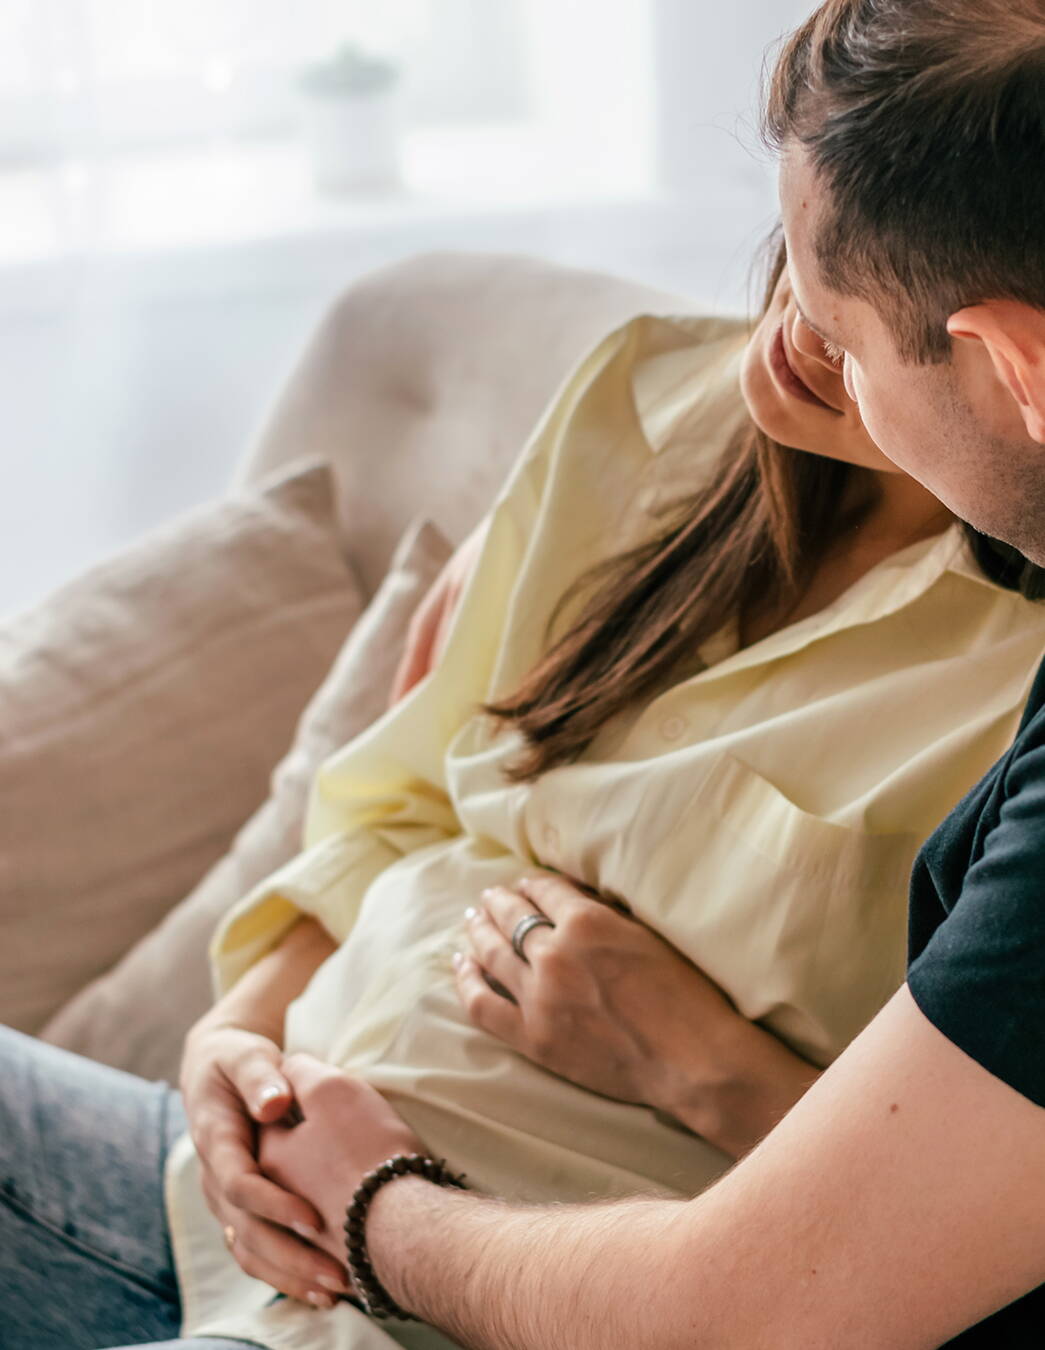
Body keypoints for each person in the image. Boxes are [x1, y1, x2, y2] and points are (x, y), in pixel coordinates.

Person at [2, 4, 1043, 1347]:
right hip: (231, 1181)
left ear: (1010, 365)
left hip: (460, 1289)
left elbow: (811, 1277)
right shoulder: (645, 408)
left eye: (840, 316)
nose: (784, 321)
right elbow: (404, 794)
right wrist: (233, 1054)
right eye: (783, 247)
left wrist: (381, 1195)